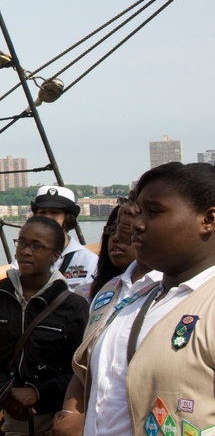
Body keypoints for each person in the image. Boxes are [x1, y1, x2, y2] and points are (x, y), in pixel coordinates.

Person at [53, 162, 215, 436]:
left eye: (154, 212)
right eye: (139, 211)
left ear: (208, 219)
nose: (137, 224)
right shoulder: (128, 298)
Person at [0, 216, 88, 436]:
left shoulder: (73, 307)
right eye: (22, 243)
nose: (26, 251)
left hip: (56, 418)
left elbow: (79, 371)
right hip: (13, 417)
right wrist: (6, 395)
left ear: (55, 255)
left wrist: (38, 392)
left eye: (37, 246)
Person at [20, 186, 98, 292]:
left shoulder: (89, 261)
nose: (47, 218)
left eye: (54, 213)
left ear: (68, 219)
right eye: (42, 212)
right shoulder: (24, 257)